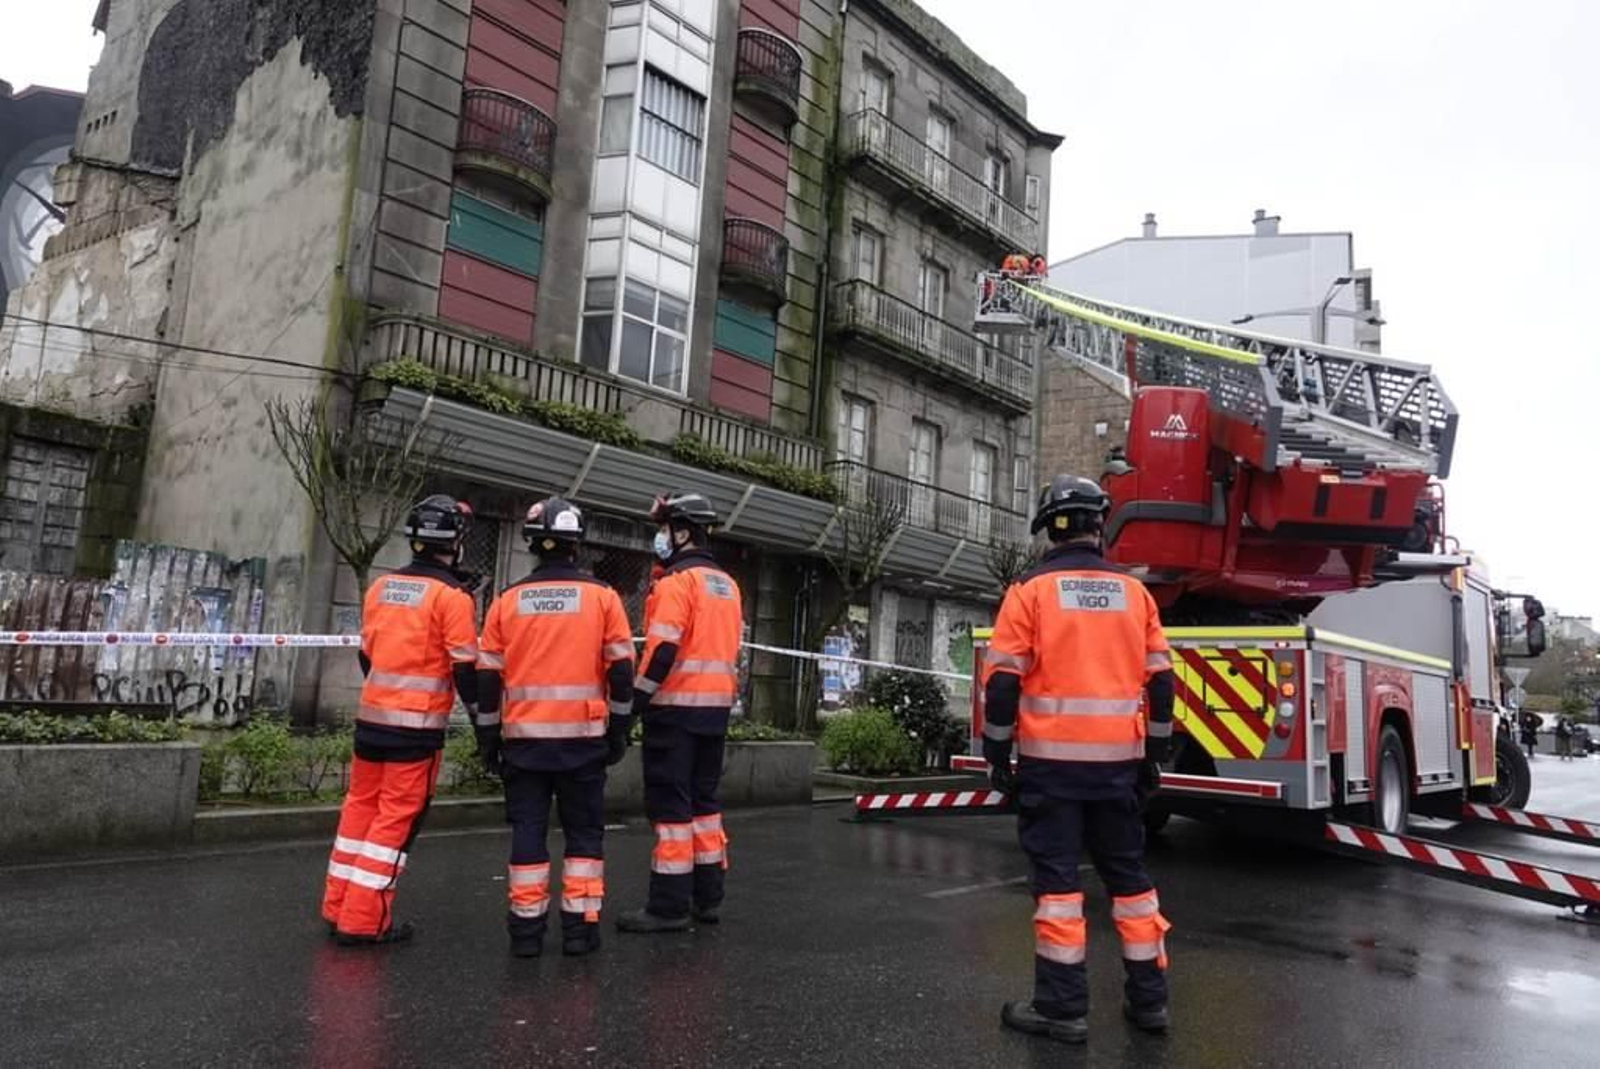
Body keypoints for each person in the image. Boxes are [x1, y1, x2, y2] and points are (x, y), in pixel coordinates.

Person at [982, 474, 1177, 1045]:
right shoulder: (1135, 595)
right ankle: (1150, 1004)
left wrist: (998, 755)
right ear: (1099, 525)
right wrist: (1154, 756)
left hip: (1051, 770)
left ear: (1050, 528)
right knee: (1131, 883)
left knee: (1060, 888)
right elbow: (1161, 685)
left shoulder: (1030, 592)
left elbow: (1002, 685)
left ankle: (1062, 1010)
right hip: (1118, 768)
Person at [476, 497, 635, 958]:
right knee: (584, 834)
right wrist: (620, 729)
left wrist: (489, 738)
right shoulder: (604, 599)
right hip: (583, 743)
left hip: (523, 742)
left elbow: (488, 678)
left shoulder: (506, 602)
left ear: (531, 544)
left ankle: (525, 933)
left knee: (528, 830)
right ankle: (579, 931)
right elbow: (621, 671)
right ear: (576, 545)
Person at [322, 495, 483, 946]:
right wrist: (483, 724)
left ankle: (338, 907)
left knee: (358, 813)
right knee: (394, 823)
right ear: (455, 543)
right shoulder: (452, 599)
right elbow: (465, 670)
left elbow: (367, 655)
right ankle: (365, 921)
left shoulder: (381, 587)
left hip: (370, 724)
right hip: (416, 732)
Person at [616, 490, 744, 934]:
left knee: (671, 810)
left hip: (674, 714)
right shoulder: (727, 585)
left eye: (664, 529)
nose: (660, 538)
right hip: (715, 712)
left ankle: (668, 906)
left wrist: (632, 705)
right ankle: (707, 898)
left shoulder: (676, 584)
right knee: (705, 806)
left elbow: (661, 652)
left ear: (684, 532)